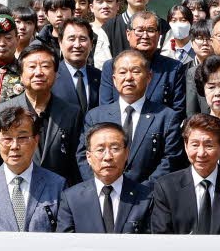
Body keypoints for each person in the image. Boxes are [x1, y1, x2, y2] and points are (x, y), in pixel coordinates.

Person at [82, 50, 184, 185]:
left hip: (149, 194)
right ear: (114, 79)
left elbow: (171, 159)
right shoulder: (95, 117)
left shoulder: (166, 117)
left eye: (136, 71)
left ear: (149, 77)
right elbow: (84, 156)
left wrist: (143, 191)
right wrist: (103, 186)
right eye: (122, 72)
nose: (129, 77)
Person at [144, 113, 220, 234]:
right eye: (195, 145)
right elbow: (162, 236)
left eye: (209, 145)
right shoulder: (166, 187)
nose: (201, 153)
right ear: (186, 146)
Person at [0, 40, 84, 183]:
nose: (38, 73)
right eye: (32, 67)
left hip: (59, 192)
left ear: (56, 74)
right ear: (21, 75)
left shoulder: (71, 113)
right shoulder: (1, 110)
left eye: (45, 66)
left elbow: (76, 165)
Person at [0, 102, 66, 232]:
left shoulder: (57, 185)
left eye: (22, 137)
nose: (14, 146)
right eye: (7, 139)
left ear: (36, 140)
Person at [54, 122, 150, 233]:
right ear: (88, 157)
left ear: (126, 154)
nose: (108, 157)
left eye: (115, 148)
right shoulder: (71, 199)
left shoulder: (146, 197)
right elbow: (65, 241)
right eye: (100, 150)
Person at [52, 19, 103, 117]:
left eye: (83, 39)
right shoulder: (52, 76)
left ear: (91, 44)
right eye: (71, 39)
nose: (77, 45)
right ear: (60, 43)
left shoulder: (100, 76)